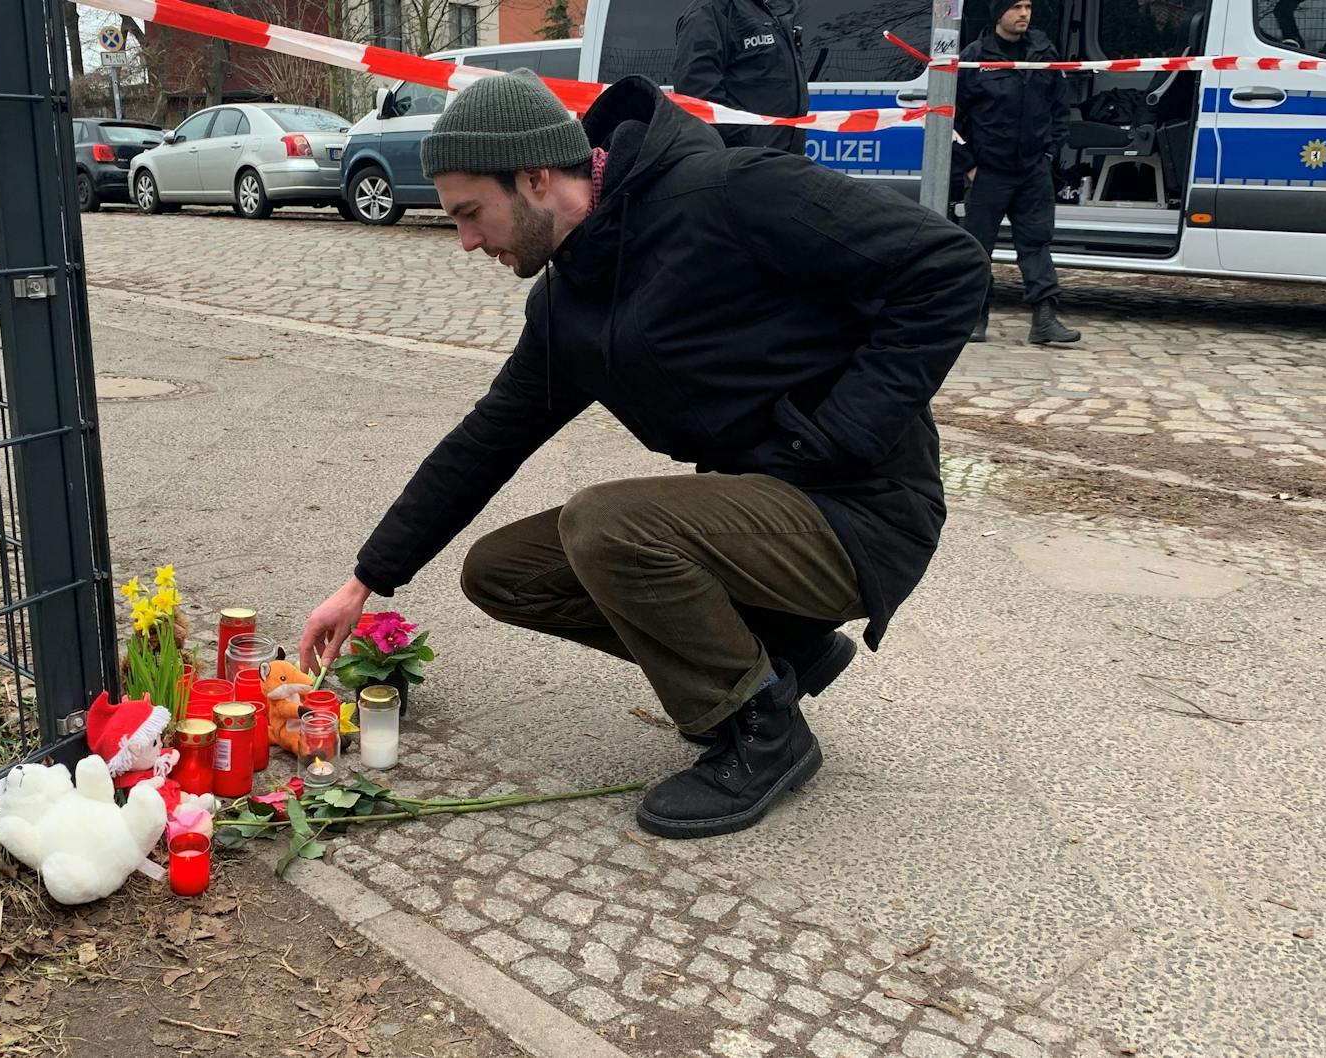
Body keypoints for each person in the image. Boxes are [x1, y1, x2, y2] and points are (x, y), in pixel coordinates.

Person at [297, 70, 988, 839]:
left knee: (609, 522)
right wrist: (367, 578)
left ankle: (764, 733)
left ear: (534, 177)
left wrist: (840, 438)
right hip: (761, 513)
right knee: (503, 571)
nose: (465, 241)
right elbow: (487, 440)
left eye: (470, 213)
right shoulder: (567, 302)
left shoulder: (728, 193)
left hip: (863, 509)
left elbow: (946, 268)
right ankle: (780, 648)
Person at [955, 0, 1082, 344]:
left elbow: (1060, 107)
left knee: (1037, 243)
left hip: (1032, 169)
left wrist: (1050, 152)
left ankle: (1044, 321)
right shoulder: (974, 57)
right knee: (977, 248)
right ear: (998, 13)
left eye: (1028, 6)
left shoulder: (1043, 52)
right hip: (988, 172)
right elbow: (952, 117)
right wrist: (969, 165)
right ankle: (974, 318)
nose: (1024, 14)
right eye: (1016, 7)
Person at [672, 0, 811, 153]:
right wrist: (746, 142)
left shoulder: (768, 9)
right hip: (742, 162)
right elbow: (697, 95)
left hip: (783, 159)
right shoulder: (708, 11)